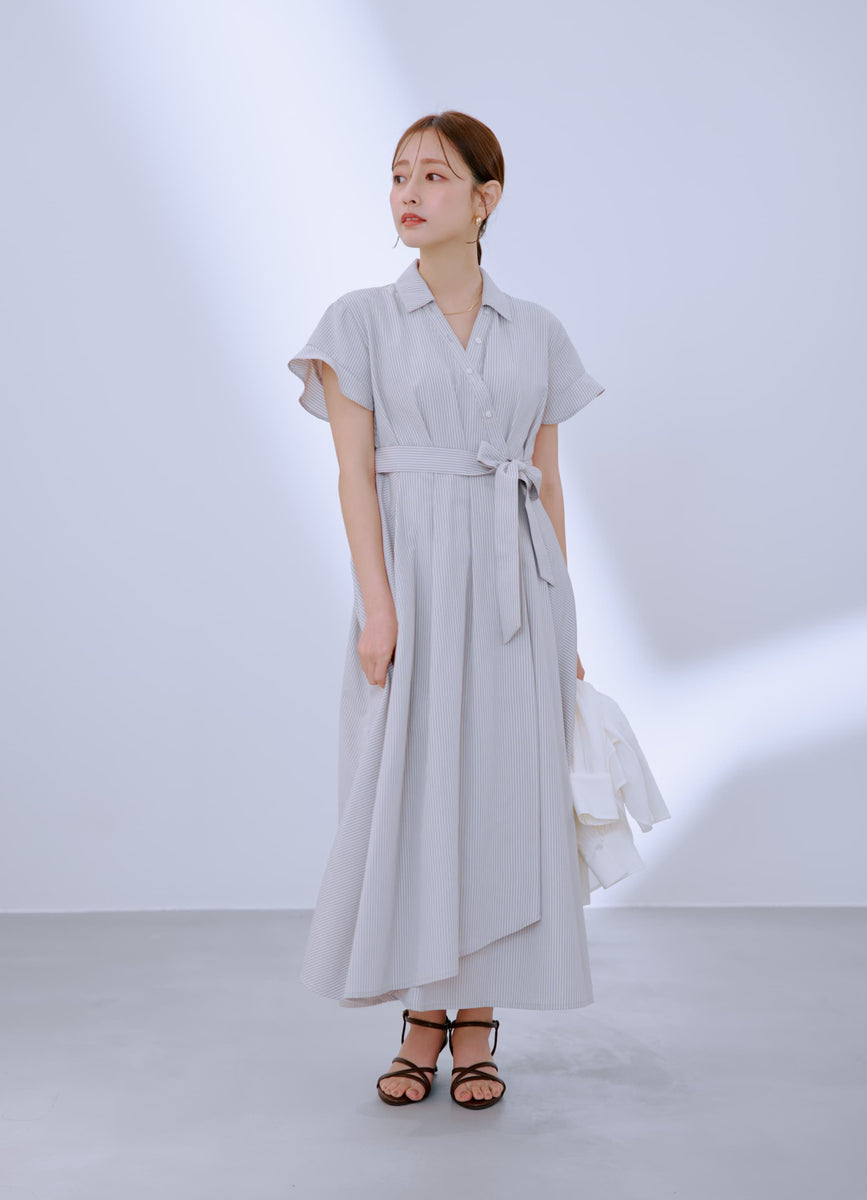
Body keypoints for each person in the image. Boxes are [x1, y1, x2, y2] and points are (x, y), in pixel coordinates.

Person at [287, 111, 606, 1109]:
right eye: (398, 175)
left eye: (433, 175)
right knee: (414, 793)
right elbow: (353, 476)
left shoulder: (537, 330)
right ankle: (422, 1013)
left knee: (501, 798)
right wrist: (378, 609)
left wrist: (567, 620)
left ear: (485, 197)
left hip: (517, 590)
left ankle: (477, 1021)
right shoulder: (359, 322)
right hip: (415, 581)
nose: (409, 193)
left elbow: (547, 483)